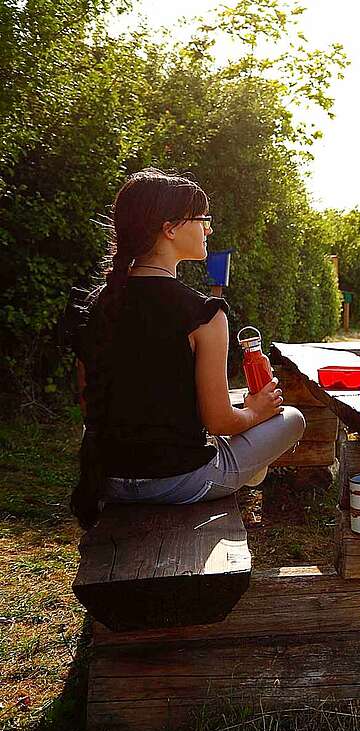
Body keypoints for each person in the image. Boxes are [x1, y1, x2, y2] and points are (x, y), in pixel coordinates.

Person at [66, 168, 305, 529]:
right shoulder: (205, 314)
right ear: (170, 228)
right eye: (203, 219)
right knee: (292, 419)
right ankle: (250, 475)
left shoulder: (95, 306)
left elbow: (91, 405)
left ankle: (249, 471)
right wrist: (256, 411)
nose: (209, 229)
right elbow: (220, 422)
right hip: (181, 482)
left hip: (108, 479)